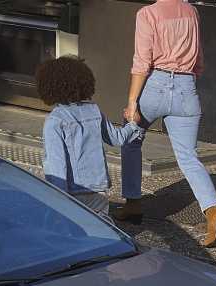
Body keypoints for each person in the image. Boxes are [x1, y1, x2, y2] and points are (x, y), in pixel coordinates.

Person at [117, 0, 216, 247]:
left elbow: (141, 62)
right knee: (188, 156)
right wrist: (188, 80)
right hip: (187, 87)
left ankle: (133, 203)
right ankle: (213, 211)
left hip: (155, 85)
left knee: (131, 140)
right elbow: (199, 58)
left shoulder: (147, 13)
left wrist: (132, 102)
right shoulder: (192, 12)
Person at [36, 56, 142, 220]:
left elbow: (56, 164)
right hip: (97, 186)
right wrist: (133, 125)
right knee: (101, 227)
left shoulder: (55, 120)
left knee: (74, 231)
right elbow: (117, 139)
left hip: (72, 189)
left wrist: (57, 198)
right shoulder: (94, 111)